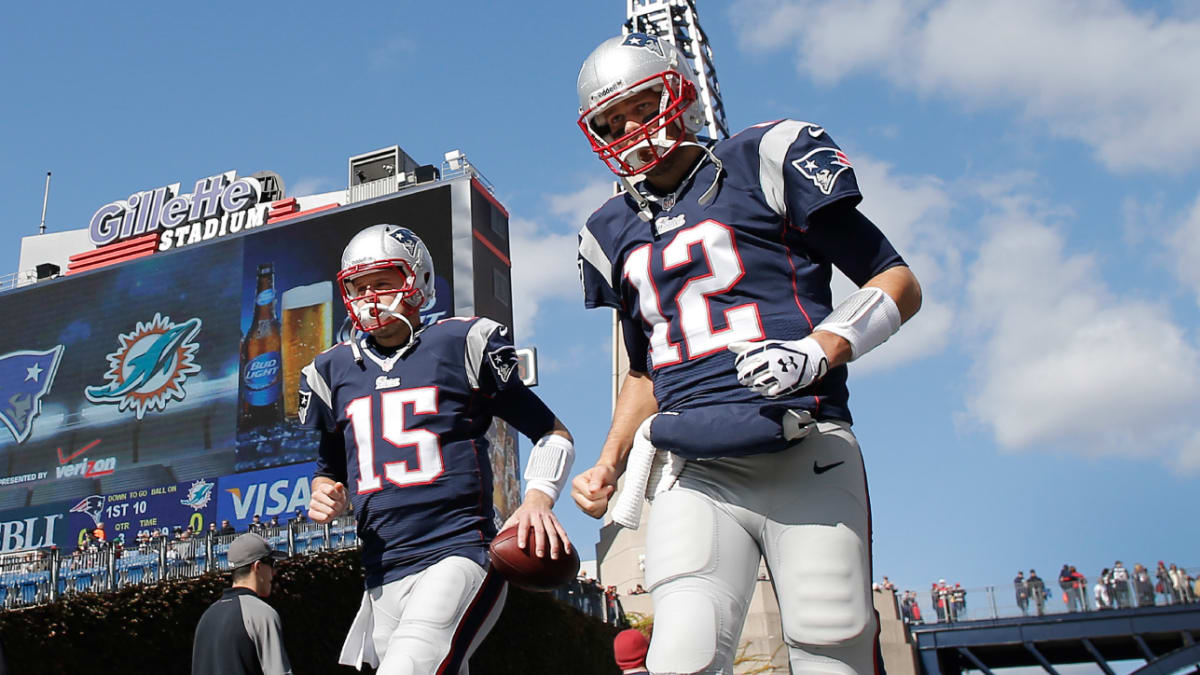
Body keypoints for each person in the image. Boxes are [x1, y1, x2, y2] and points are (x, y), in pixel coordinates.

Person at [570, 33, 922, 674]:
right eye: (608, 121)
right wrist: (610, 460)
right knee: (683, 658)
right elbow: (648, 368)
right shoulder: (608, 230)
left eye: (639, 105)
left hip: (803, 443)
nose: (627, 129)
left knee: (830, 642)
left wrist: (817, 352)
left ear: (677, 94)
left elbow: (896, 281)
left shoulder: (761, 158)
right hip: (695, 465)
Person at [302, 223, 576, 674]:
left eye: (383, 282)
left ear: (419, 281)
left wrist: (537, 500)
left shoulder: (458, 343)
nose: (370, 296)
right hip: (383, 568)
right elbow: (329, 462)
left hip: (457, 549)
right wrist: (324, 487)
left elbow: (551, 431)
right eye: (359, 285)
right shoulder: (333, 370)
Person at [191, 533, 291, 675]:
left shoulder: (207, 615)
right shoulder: (262, 613)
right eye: (272, 564)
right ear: (257, 566)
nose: (274, 573)